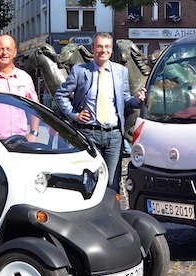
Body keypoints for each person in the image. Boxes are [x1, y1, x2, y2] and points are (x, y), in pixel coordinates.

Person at [54, 32, 146, 192]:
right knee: (90, 180)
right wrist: (74, 115)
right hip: (89, 134)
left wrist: (137, 100)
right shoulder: (80, 71)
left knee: (112, 183)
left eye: (107, 47)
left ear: (111, 50)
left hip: (114, 136)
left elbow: (125, 100)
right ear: (93, 48)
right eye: (99, 46)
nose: (103, 50)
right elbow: (60, 95)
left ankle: (112, 215)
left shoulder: (120, 72)